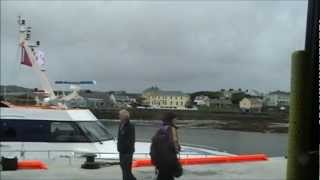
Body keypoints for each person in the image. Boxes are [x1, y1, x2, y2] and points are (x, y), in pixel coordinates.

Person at [150, 112, 182, 180]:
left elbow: (154, 143)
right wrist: (178, 148)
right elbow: (174, 146)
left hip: (159, 160)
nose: (176, 121)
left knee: (162, 177)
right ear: (172, 119)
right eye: (175, 119)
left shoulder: (160, 130)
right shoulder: (172, 129)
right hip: (169, 161)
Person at [117, 109, 136, 180]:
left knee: (126, 170)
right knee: (124, 169)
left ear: (124, 116)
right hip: (121, 151)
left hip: (128, 152)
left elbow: (131, 140)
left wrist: (126, 149)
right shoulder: (120, 125)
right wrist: (119, 147)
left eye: (120, 115)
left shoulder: (130, 126)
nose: (118, 116)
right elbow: (120, 137)